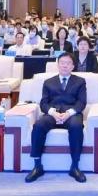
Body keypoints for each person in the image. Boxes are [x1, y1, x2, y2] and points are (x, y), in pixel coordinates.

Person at [25, 53, 88, 183]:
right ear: (58, 65)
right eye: (62, 63)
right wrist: (53, 113)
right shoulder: (48, 82)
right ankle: (37, 166)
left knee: (76, 126)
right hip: (53, 114)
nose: (65, 65)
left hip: (71, 114)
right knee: (38, 125)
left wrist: (68, 113)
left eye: (68, 63)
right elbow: (43, 103)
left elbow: (82, 102)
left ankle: (75, 167)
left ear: (73, 66)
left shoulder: (80, 81)